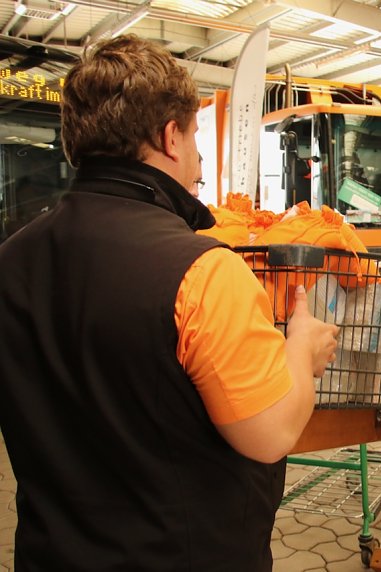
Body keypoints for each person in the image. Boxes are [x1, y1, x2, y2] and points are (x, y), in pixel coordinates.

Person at [0, 35, 339, 569]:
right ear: (169, 137)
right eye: (196, 138)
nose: (200, 162)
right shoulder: (201, 270)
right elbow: (269, 434)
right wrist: (302, 350)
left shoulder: (12, 260)